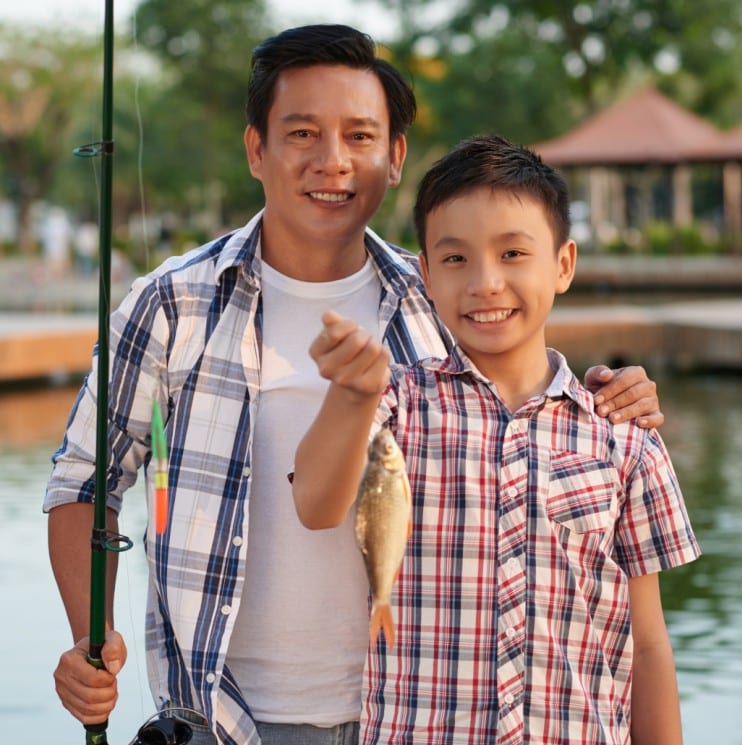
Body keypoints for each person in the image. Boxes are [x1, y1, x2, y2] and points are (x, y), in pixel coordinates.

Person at [46, 26, 663, 745]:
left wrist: (613, 396)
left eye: (359, 136)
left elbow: (521, 409)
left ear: (394, 155)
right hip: (223, 714)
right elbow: (85, 482)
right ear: (257, 149)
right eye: (301, 133)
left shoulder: (440, 292)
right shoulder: (170, 305)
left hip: (417, 712)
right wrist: (91, 634)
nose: (331, 162)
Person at [292, 134, 700, 744]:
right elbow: (316, 505)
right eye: (455, 260)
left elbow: (647, 645)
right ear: (425, 274)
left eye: (513, 253)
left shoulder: (624, 440)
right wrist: (351, 391)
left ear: (563, 265)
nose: (485, 283)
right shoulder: (395, 405)